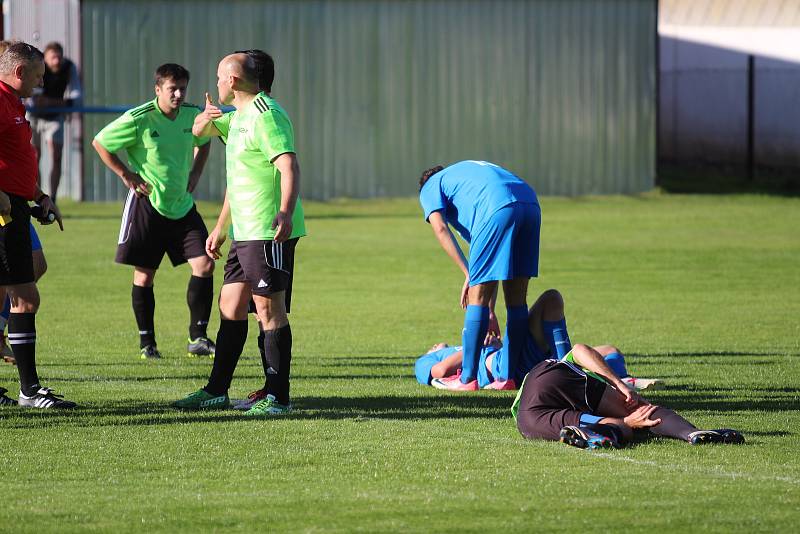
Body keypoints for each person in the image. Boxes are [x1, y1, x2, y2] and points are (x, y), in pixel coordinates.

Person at [175, 52, 305, 416]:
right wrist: (220, 226)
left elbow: (288, 163)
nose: (215, 83)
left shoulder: (267, 115)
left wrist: (284, 211)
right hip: (243, 231)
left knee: (269, 309)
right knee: (231, 306)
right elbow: (201, 134)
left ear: (233, 80)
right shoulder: (237, 119)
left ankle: (278, 398)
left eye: (219, 77)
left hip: (267, 229)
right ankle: (216, 390)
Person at [92, 64, 215, 360]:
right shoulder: (139, 118)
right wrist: (127, 174)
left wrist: (196, 172)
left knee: (205, 264)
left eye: (183, 88)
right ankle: (147, 343)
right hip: (148, 205)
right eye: (172, 88)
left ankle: (197, 337)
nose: (178, 94)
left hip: (182, 207)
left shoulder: (192, 115)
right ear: (157, 89)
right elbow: (101, 142)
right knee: (145, 276)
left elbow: (205, 140)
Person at [418, 161, 541, 390]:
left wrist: (468, 273)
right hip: (530, 203)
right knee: (516, 299)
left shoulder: (430, 186)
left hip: (497, 206)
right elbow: (490, 266)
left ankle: (467, 379)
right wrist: (491, 311)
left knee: (477, 297)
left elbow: (440, 228)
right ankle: (507, 378)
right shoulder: (465, 179)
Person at [0, 41, 74, 408]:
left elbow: (14, 163)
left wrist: (40, 197)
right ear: (19, 72)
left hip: (14, 206)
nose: (41, 83)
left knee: (13, 295)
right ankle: (30, 391)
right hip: (2, 213)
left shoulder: (14, 103)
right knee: (25, 299)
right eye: (38, 76)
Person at [415, 289, 663, 391]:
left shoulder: (457, 344)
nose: (436, 344)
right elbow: (439, 370)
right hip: (501, 364)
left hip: (521, 355)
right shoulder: (428, 358)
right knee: (548, 301)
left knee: (609, 349)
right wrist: (480, 345)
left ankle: (618, 379)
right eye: (433, 346)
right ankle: (572, 372)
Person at [512, 343, 744, 448]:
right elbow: (582, 349)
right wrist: (619, 385)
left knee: (599, 425)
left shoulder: (532, 413)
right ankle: (692, 433)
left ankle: (599, 435)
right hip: (548, 381)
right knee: (635, 413)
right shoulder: (569, 369)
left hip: (529, 423)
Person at [27, 41, 82, 203]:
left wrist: (51, 102)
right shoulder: (38, 66)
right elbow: (35, 99)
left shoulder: (68, 68)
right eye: (53, 58)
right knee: (34, 157)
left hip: (55, 117)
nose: (57, 61)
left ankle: (53, 198)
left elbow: (76, 99)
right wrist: (61, 102)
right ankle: (37, 196)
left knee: (56, 156)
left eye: (59, 57)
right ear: (46, 58)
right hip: (35, 117)